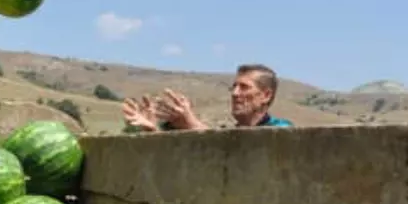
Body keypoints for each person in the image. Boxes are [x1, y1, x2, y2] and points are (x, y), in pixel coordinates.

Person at [122, 63, 294, 131]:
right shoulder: (230, 131)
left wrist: (190, 123)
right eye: (234, 87)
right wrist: (151, 130)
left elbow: (234, 148)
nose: (235, 94)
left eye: (244, 87)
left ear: (265, 95)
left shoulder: (282, 129)